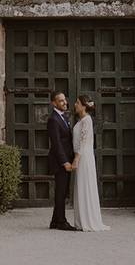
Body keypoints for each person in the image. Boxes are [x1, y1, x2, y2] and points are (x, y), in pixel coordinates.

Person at [71, 95, 110, 232]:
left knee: (85, 185)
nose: (75, 104)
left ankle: (88, 220)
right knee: (81, 185)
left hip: (83, 156)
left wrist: (76, 159)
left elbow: (83, 142)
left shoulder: (87, 120)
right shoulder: (81, 120)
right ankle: (82, 220)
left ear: (83, 105)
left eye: (77, 103)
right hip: (82, 155)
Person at [47, 91, 79, 231]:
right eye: (60, 101)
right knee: (60, 192)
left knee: (62, 191)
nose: (65, 102)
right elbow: (56, 144)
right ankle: (61, 222)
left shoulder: (63, 117)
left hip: (66, 160)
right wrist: (65, 162)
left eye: (64, 99)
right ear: (53, 103)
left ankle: (55, 221)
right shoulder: (53, 119)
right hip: (60, 162)